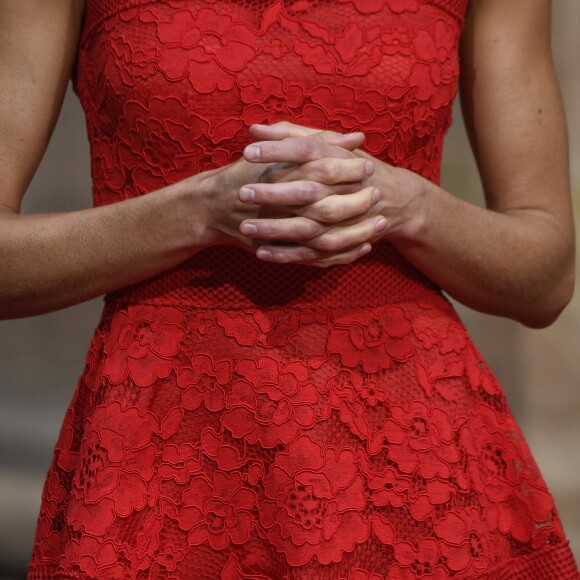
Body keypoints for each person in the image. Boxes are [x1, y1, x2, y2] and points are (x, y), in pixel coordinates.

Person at [1, 0, 577, 577]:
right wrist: (196, 212)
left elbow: (545, 279)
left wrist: (409, 207)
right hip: (164, 457)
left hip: (415, 457)